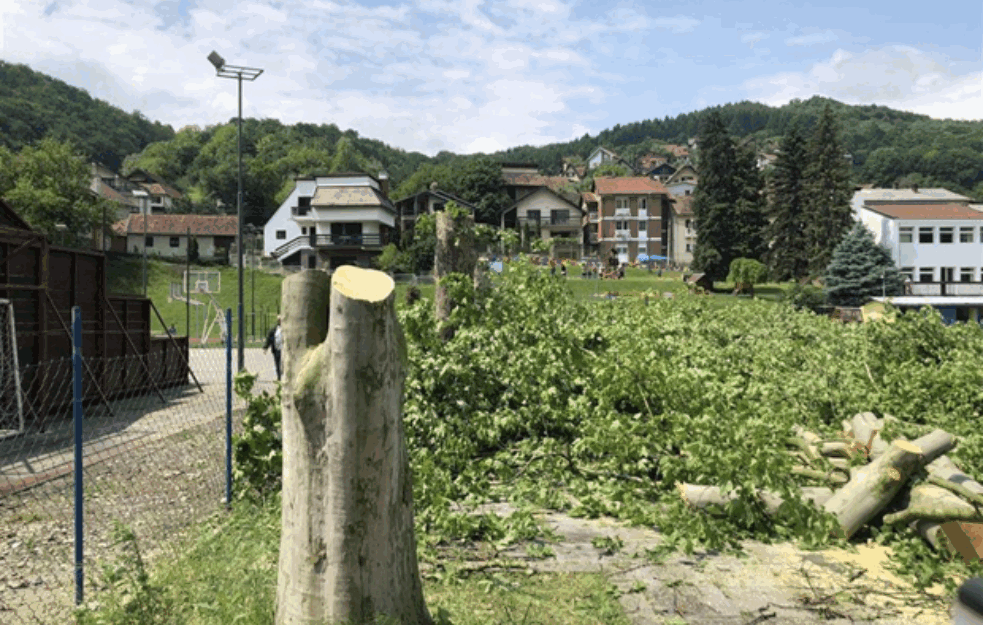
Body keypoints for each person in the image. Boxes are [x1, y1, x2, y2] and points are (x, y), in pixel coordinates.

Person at [264, 317, 283, 381]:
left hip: (284, 350)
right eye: (280, 320)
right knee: (277, 364)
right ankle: (279, 377)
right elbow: (269, 339)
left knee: (284, 364)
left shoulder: (287, 329)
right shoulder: (274, 330)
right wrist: (265, 347)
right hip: (277, 350)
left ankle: (284, 377)